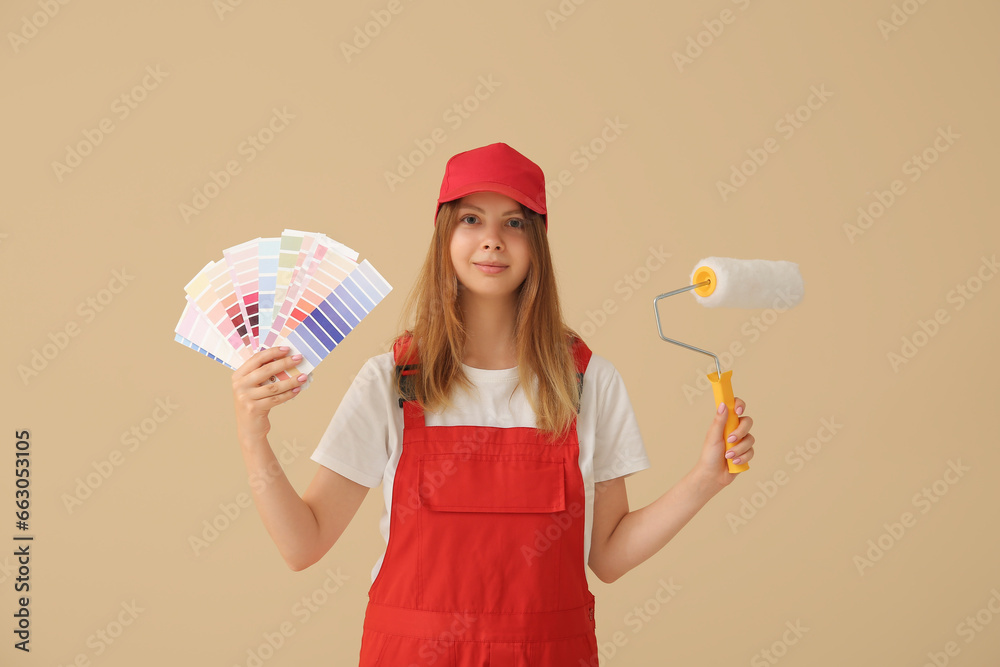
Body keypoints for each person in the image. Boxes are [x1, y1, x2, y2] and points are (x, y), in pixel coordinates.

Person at [231, 142, 756, 666]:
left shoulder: (587, 382)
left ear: (537, 244)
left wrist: (705, 480)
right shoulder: (391, 382)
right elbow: (304, 544)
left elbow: (609, 557)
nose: (491, 241)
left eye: (514, 223)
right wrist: (252, 433)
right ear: (445, 237)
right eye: (471, 220)